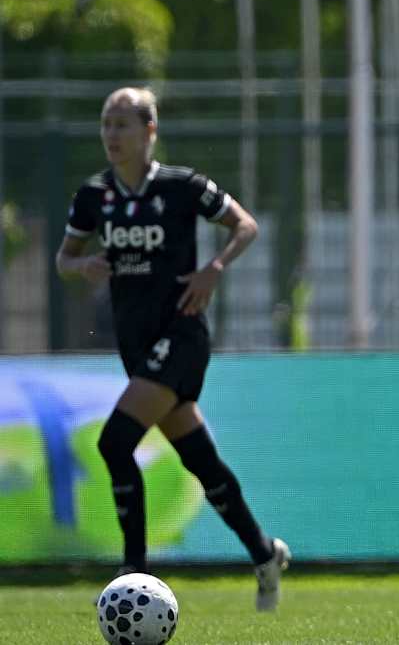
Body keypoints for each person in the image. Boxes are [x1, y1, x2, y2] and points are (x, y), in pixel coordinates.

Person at [56, 87, 290, 612]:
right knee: (201, 461)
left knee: (115, 443)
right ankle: (264, 553)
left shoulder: (182, 187)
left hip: (182, 336)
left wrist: (215, 269)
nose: (112, 135)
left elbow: (245, 225)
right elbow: (64, 259)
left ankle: (133, 572)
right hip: (136, 345)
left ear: (150, 131)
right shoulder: (94, 196)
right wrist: (82, 265)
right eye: (106, 124)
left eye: (122, 124)